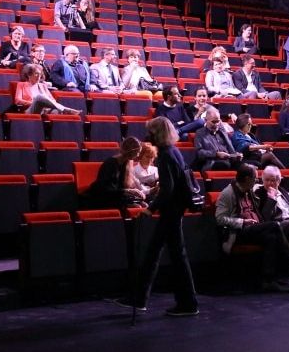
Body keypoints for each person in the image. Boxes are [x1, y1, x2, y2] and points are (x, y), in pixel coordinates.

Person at [116, 117, 199, 317]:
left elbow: (168, 189)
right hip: (174, 209)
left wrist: (150, 208)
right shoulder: (173, 151)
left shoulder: (166, 155)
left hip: (171, 211)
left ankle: (187, 303)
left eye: (151, 132)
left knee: (176, 256)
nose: (148, 135)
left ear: (157, 134)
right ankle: (140, 298)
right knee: (157, 252)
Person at [214, 163, 289, 291]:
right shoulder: (228, 193)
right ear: (247, 179)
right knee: (274, 225)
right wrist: (242, 222)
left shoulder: (249, 190)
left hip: (255, 228)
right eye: (255, 178)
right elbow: (219, 219)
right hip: (239, 232)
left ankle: (268, 281)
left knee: (271, 237)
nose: (257, 181)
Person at [86, 137, 154, 210]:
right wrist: (127, 191)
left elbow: (122, 187)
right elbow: (106, 190)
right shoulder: (110, 164)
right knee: (137, 207)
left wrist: (133, 192)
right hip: (103, 197)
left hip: (116, 196)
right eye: (137, 152)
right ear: (131, 151)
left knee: (144, 205)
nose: (138, 155)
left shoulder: (127, 163)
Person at [14, 64, 80, 115]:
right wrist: (34, 103)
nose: (39, 77)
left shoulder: (43, 86)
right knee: (39, 97)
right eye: (36, 74)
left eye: (40, 74)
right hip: (30, 110)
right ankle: (65, 109)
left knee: (56, 111)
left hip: (45, 110)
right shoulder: (21, 85)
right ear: (29, 75)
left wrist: (46, 106)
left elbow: (52, 100)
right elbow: (17, 100)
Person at [192, 107, 242, 171]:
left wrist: (235, 155)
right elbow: (199, 153)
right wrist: (216, 154)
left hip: (228, 160)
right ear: (206, 120)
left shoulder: (222, 132)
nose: (216, 124)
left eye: (218, 121)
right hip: (211, 162)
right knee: (224, 165)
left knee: (246, 167)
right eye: (213, 122)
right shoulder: (200, 133)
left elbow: (230, 149)